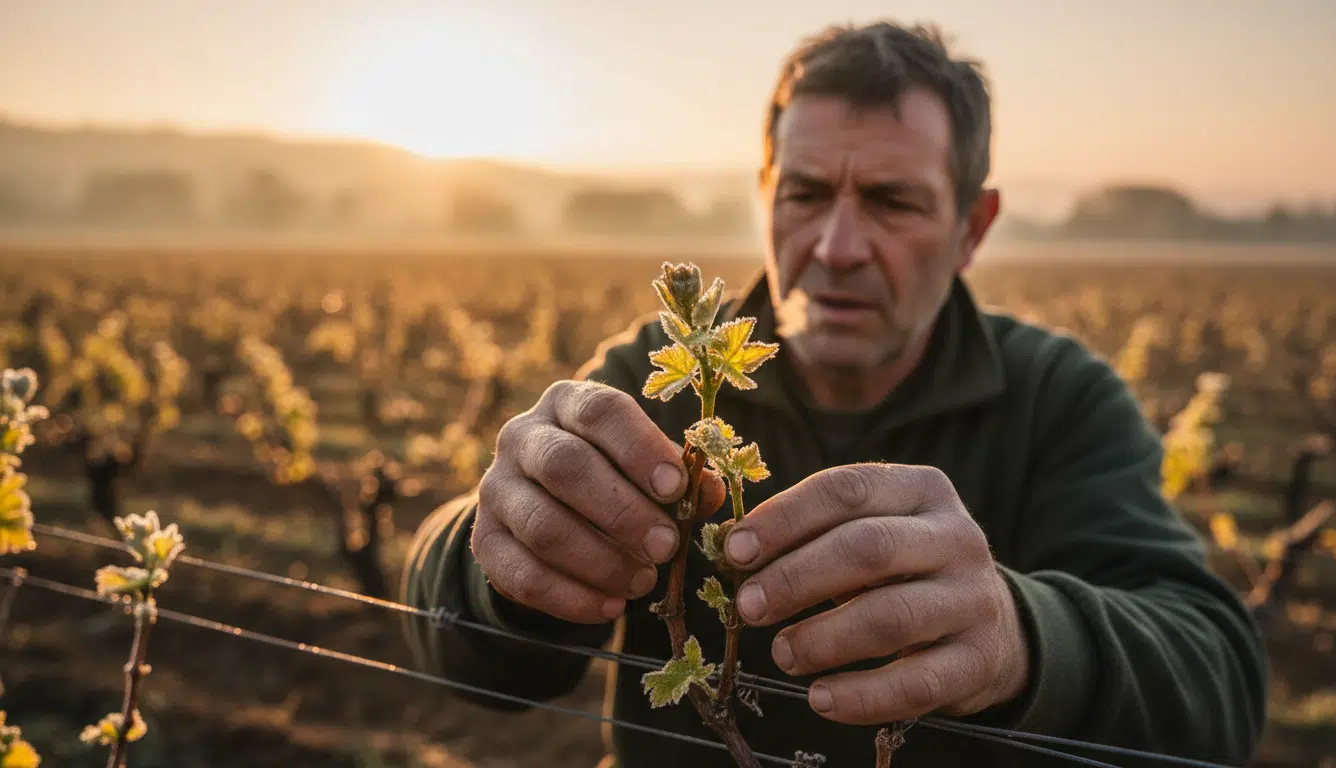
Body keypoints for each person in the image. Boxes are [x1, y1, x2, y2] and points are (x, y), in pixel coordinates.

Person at [400, 20, 1268, 767]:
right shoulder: (662, 382)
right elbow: (465, 654)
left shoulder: (1060, 400)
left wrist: (1021, 640)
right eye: (806, 194)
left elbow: (1218, 685)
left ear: (972, 228)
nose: (837, 246)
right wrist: (496, 557)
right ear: (765, 198)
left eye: (892, 201)